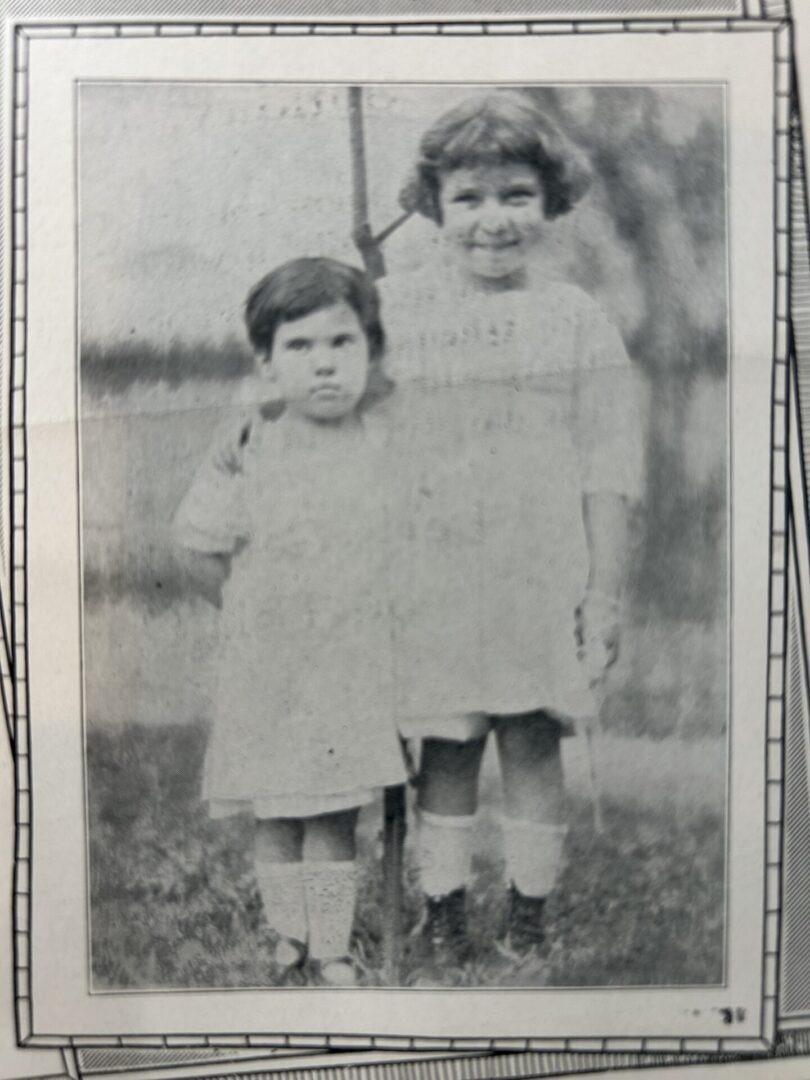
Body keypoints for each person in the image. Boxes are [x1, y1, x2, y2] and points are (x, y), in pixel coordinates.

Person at [380, 90, 644, 968]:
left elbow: (609, 469)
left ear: (552, 199)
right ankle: (444, 910)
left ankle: (527, 916)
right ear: (432, 206)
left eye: (516, 196)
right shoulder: (397, 311)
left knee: (533, 737)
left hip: (542, 572)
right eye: (469, 199)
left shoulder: (576, 319)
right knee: (447, 742)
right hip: (435, 571)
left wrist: (602, 594)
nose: (493, 220)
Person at [174, 257, 406, 987]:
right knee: (274, 807)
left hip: (351, 660)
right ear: (267, 364)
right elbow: (196, 548)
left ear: (371, 352)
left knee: (334, 810)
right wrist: (248, 615)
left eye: (342, 344)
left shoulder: (382, 446)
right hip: (268, 664)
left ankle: (332, 946)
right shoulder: (251, 447)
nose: (325, 366)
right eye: (299, 349)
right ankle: (288, 937)